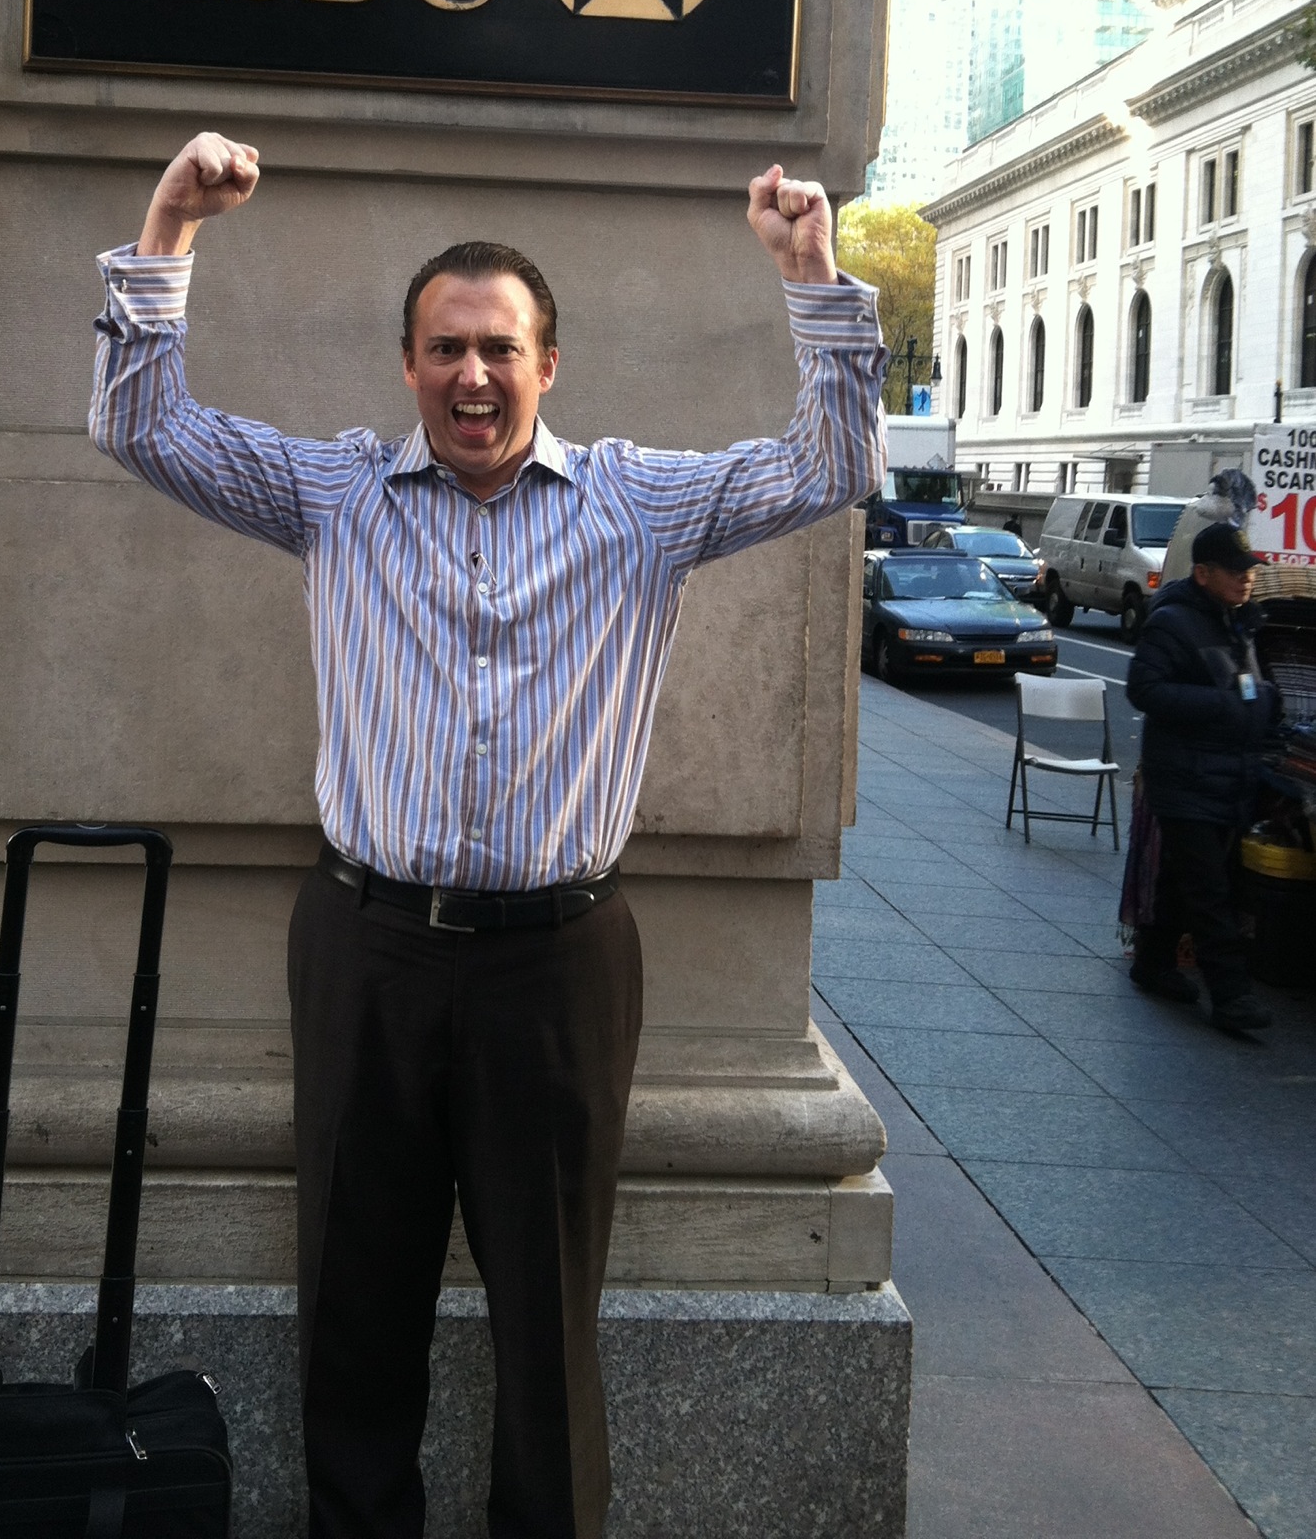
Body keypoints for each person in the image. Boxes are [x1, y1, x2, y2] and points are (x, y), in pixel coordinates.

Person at [89, 131, 888, 1539]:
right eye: (446, 349)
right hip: (369, 945)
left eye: (500, 349)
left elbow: (834, 461)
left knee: (546, 1312)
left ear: (547, 365)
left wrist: (810, 274)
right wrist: (170, 229)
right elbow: (144, 429)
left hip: (557, 964)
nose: (473, 375)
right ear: (408, 367)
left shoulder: (638, 505)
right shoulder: (336, 496)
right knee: (354, 1301)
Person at [1125, 521, 1279, 1034]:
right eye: (1235, 571)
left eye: (1250, 570)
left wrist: (1267, 705)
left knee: (1184, 876)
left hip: (1228, 775)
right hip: (1186, 777)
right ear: (1203, 573)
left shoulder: (1239, 622)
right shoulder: (1173, 621)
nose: (1247, 579)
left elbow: (1254, 690)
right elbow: (1144, 690)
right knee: (1212, 889)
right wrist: (1222, 706)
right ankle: (1232, 998)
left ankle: (1152, 962)